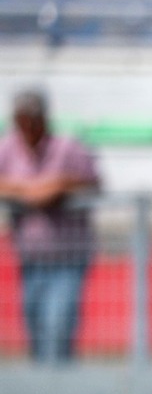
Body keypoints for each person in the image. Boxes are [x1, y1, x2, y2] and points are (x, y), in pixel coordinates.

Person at [0, 89, 100, 364]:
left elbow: (94, 182)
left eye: (32, 119)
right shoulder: (8, 148)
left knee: (58, 326)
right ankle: (45, 385)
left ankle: (57, 386)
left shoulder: (68, 147)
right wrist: (28, 189)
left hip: (69, 257)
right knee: (36, 327)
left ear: (43, 119)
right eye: (22, 120)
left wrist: (61, 184)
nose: (27, 126)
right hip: (31, 258)